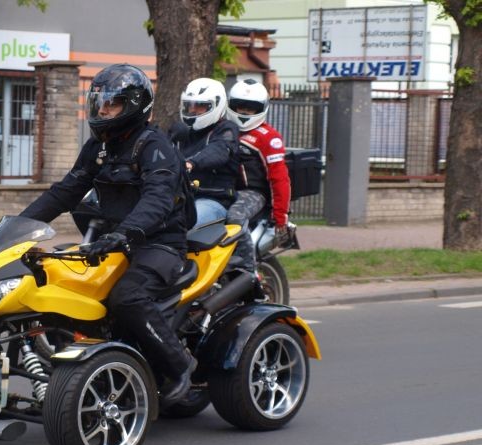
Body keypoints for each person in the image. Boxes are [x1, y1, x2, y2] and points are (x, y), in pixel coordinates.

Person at [19, 64, 196, 407]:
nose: (102, 111)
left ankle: (180, 366)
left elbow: (157, 199)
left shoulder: (154, 147)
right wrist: (18, 226)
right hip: (114, 242)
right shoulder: (99, 148)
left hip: (159, 244)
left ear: (134, 105)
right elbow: (65, 192)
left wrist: (127, 233)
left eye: (112, 103)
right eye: (99, 103)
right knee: (60, 283)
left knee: (127, 297)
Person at [225, 78, 292, 273]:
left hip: (253, 193)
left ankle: (247, 268)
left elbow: (279, 178)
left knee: (235, 216)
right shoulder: (224, 130)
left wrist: (280, 216)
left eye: (251, 108)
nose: (245, 112)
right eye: (240, 106)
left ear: (261, 108)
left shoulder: (268, 137)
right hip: (225, 190)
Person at [170, 77, 240, 227]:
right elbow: (163, 149)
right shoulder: (181, 131)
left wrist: (191, 163)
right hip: (180, 197)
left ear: (217, 104)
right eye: (189, 105)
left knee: (182, 224)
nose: (193, 110)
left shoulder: (226, 129)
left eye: (200, 105)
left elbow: (218, 150)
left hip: (212, 199)